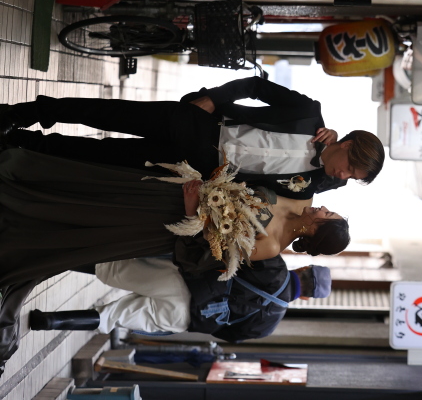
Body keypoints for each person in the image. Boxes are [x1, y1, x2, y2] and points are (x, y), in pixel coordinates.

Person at [0, 148, 350, 375]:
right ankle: (34, 214)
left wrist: (192, 212)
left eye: (328, 214)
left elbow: (214, 251)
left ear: (316, 229)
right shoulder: (296, 200)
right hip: (174, 207)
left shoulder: (272, 249)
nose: (324, 208)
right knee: (104, 216)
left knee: (102, 238)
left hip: (172, 221)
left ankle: (27, 229)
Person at [0, 75, 385, 199]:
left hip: (197, 166)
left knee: (106, 155)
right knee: (105, 112)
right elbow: (256, 85)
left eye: (352, 178)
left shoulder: (311, 185)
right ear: (348, 145)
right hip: (200, 124)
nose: (344, 176)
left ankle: (21, 143)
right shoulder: (307, 114)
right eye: (351, 167)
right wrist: (213, 99)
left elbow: (295, 192)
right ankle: (19, 115)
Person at [29, 255, 332, 344]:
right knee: (113, 317)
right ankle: (50, 321)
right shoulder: (269, 326)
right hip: (184, 319)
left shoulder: (275, 265)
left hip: (184, 281)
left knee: (111, 268)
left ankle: (50, 257)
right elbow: (225, 333)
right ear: (306, 297)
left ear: (304, 267)